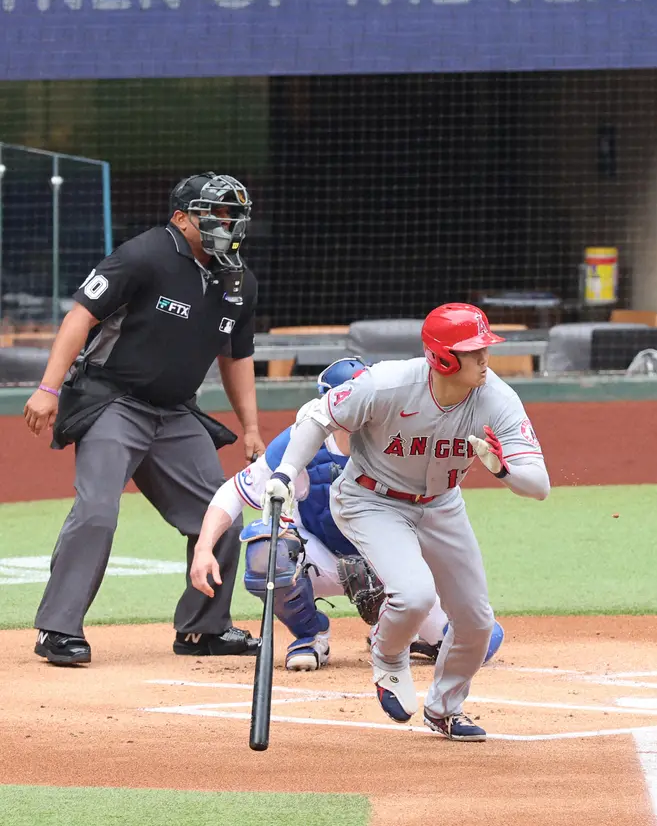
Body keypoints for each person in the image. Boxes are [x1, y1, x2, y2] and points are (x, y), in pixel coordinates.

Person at [264, 303, 550, 741]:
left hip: (441, 505)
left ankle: (444, 709)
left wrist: (503, 469)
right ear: (443, 358)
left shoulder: (497, 397)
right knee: (414, 594)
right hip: (370, 500)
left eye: (484, 348)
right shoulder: (386, 383)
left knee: (475, 622)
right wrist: (283, 474)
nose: (485, 359)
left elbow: (539, 485)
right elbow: (319, 416)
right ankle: (389, 655)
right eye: (474, 351)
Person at [23, 172, 266, 665]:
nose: (228, 222)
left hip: (176, 412)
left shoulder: (239, 279)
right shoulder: (145, 254)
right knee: (97, 512)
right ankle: (58, 630)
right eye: (215, 213)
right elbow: (80, 317)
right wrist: (48, 388)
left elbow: (236, 357)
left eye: (233, 213)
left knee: (218, 513)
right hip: (114, 400)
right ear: (182, 218)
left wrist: (253, 427)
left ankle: (203, 628)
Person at [188, 356, 505, 671]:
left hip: (389, 562)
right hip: (320, 559)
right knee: (266, 552)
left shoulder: (406, 439)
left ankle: (400, 631)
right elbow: (233, 492)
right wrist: (203, 548)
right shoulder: (300, 442)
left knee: (480, 644)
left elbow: (438, 516)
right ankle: (311, 635)